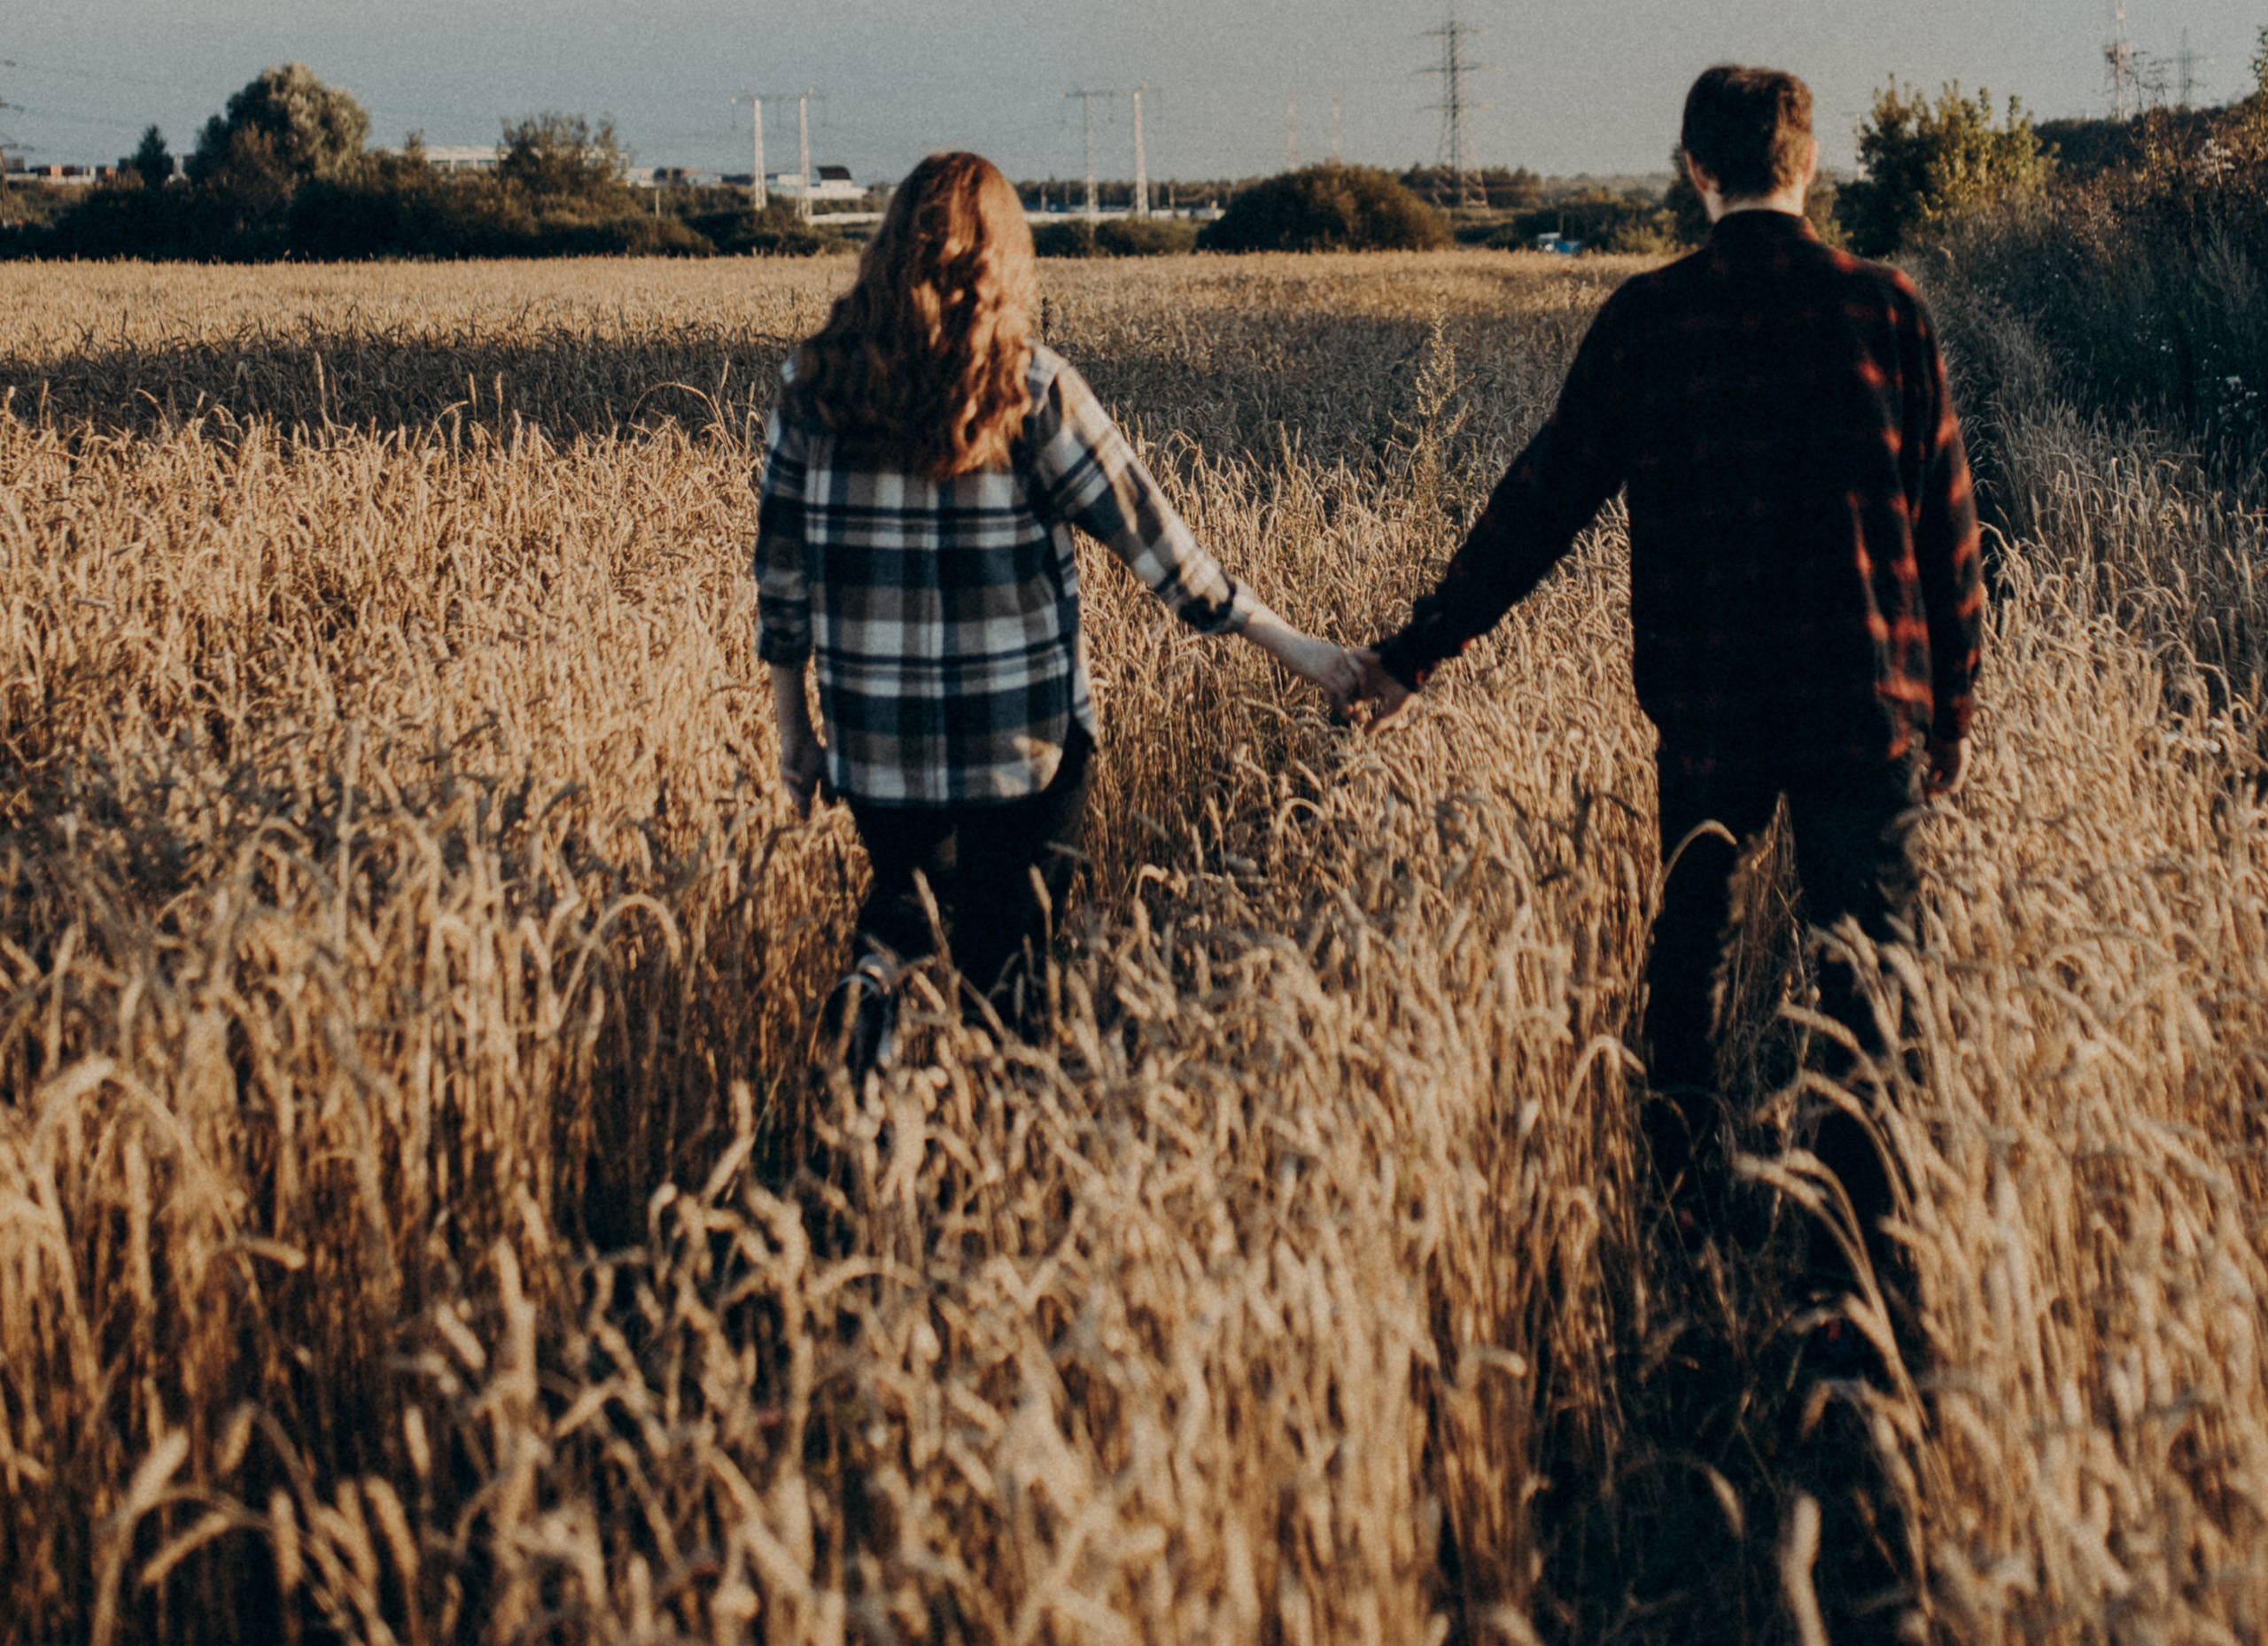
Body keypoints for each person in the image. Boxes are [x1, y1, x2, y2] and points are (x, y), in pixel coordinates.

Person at [1351, 65, 1983, 1316]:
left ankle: (1685, 1228)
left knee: (1686, 961)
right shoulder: (1887, 310)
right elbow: (1946, 530)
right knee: (1872, 982)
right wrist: (1952, 705)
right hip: (1866, 698)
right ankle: (1859, 1276)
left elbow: (1539, 504)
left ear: (1696, 168)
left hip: (1711, 702)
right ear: (1811, 166)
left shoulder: (1650, 320)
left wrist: (1417, 650)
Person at [756, 151, 1360, 1073]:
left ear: (884, 252)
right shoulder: (1029, 389)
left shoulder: (811, 394)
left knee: (913, 888)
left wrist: (793, 731)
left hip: (877, 746)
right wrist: (1295, 646)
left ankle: (877, 977)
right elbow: (1166, 554)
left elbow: (782, 584)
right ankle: (995, 1157)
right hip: (1021, 747)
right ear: (1003, 258)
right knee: (1010, 983)